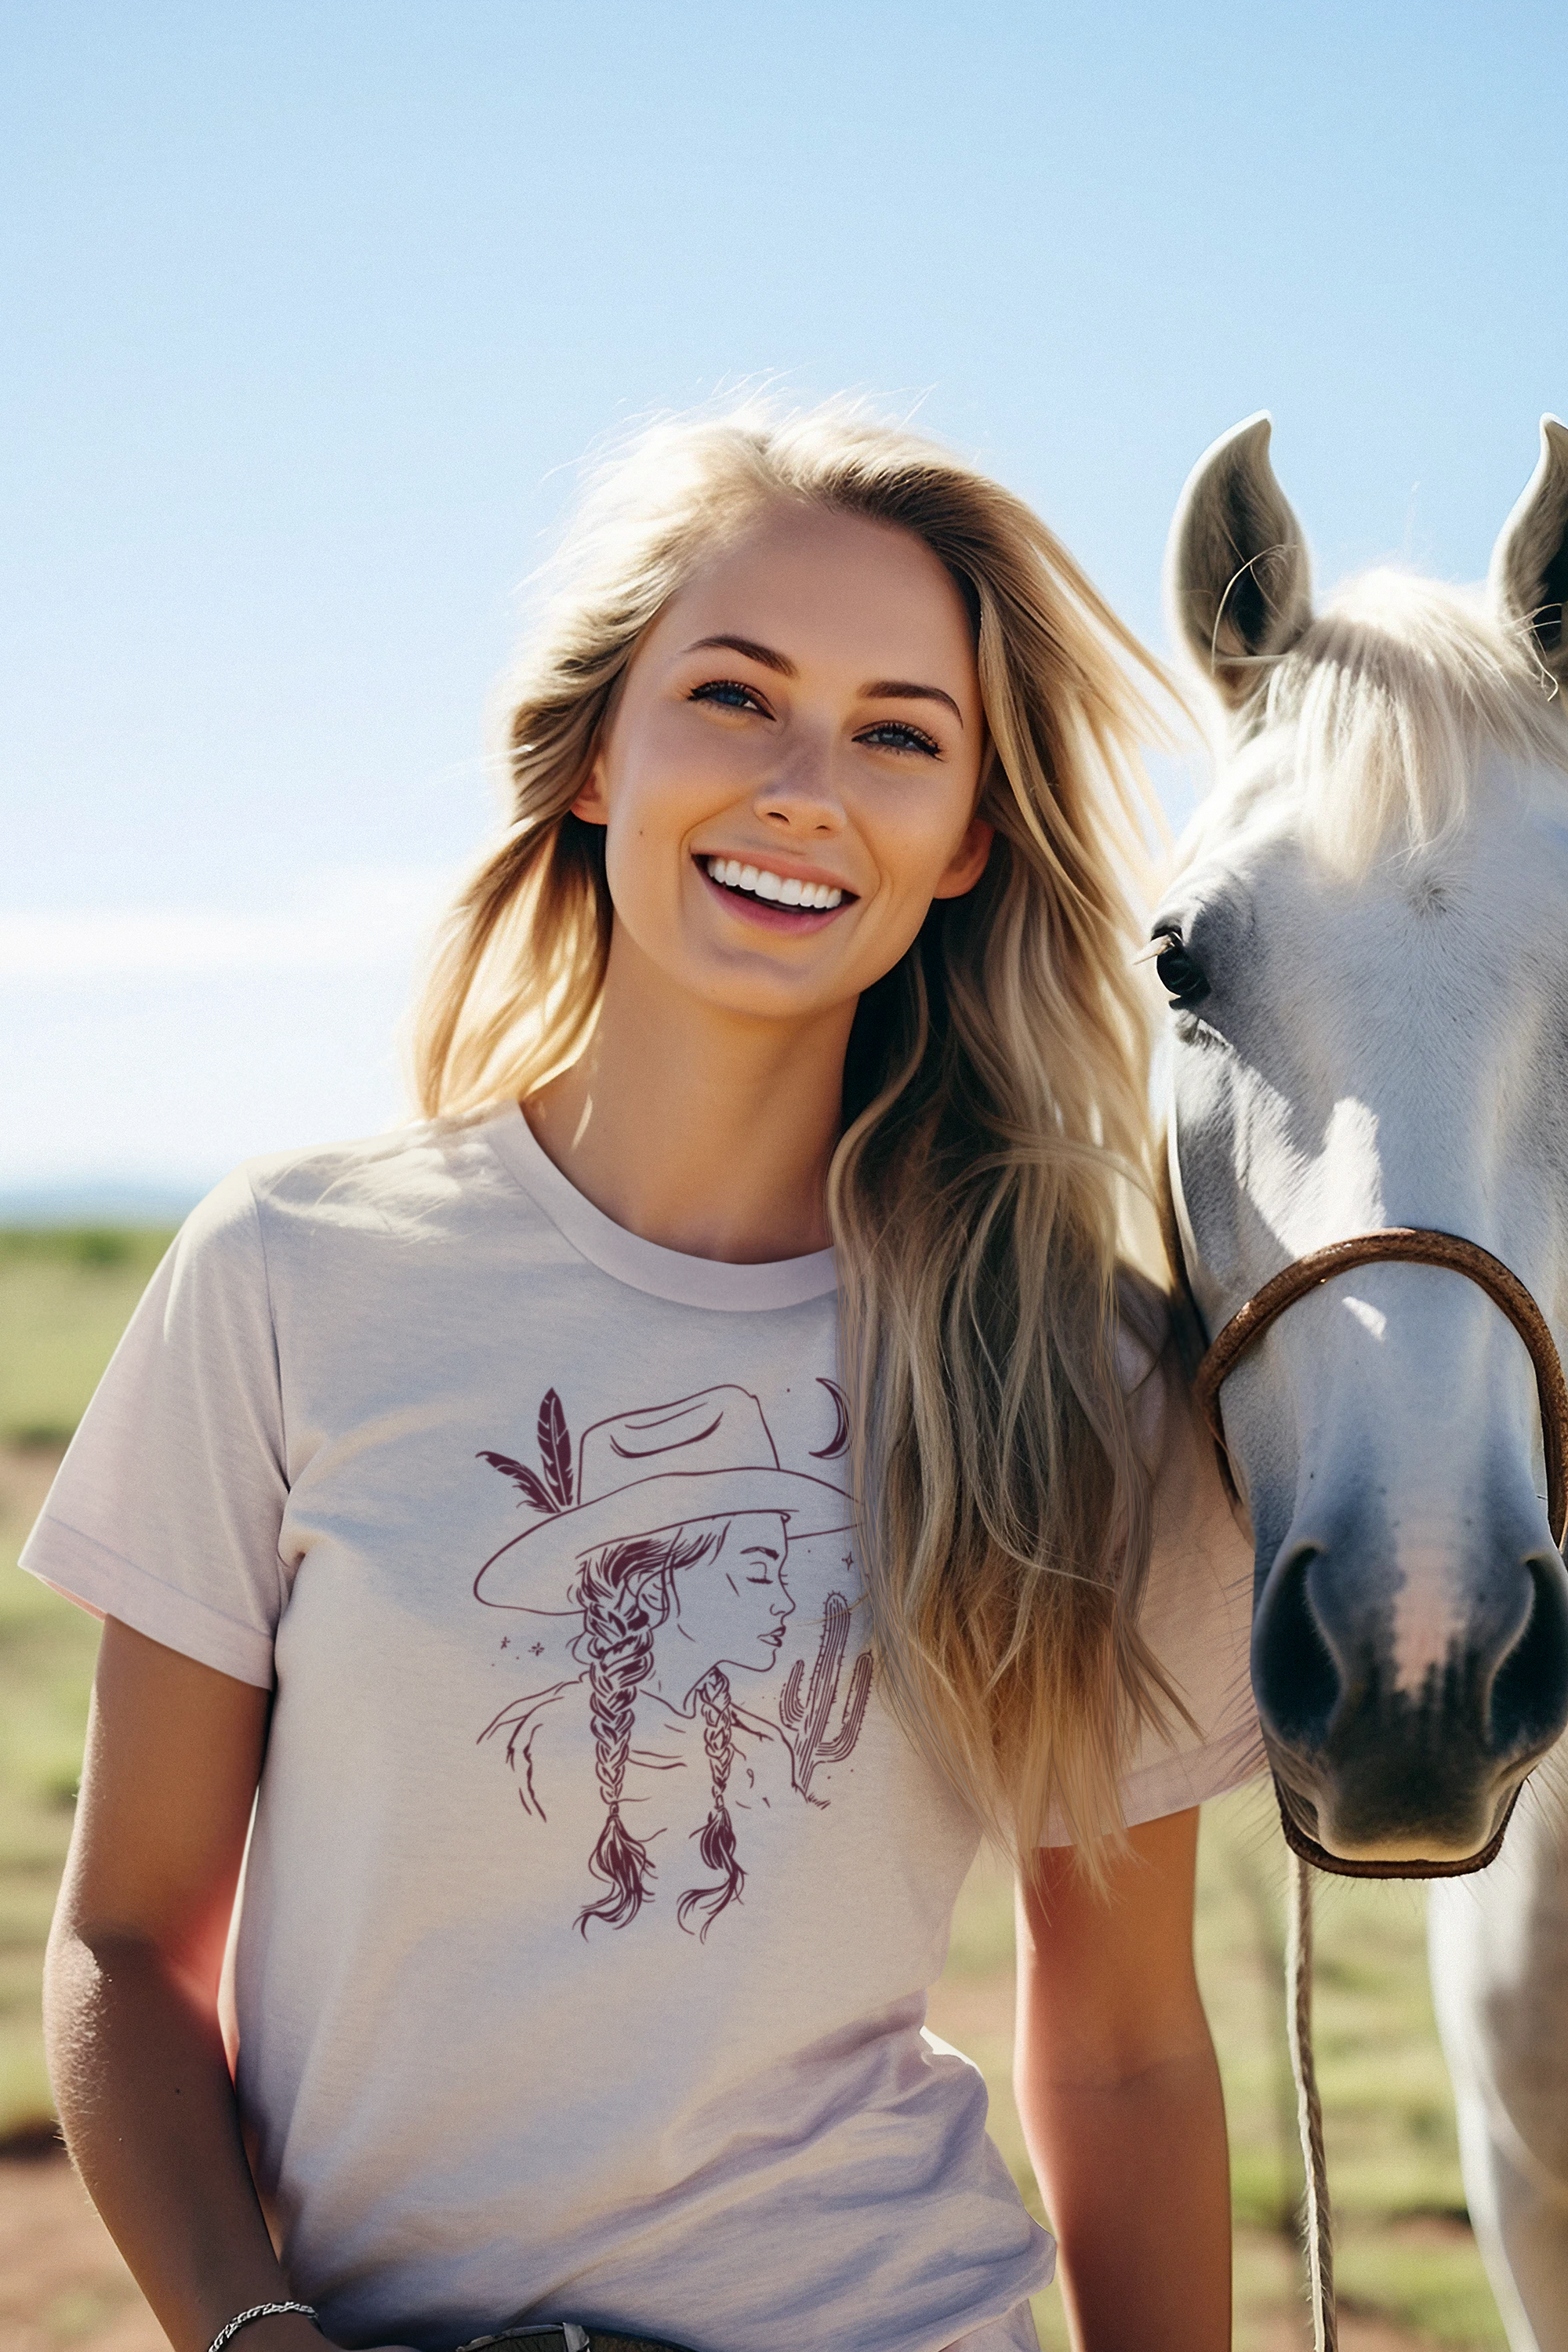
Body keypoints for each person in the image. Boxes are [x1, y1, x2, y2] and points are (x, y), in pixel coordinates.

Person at [26, 403, 1258, 2352]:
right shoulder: (287, 1273)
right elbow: (121, 1947)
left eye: (897, 736)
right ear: (601, 750)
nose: (803, 788)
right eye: (735, 697)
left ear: (964, 849)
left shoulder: (1078, 1370)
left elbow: (1116, 2045)